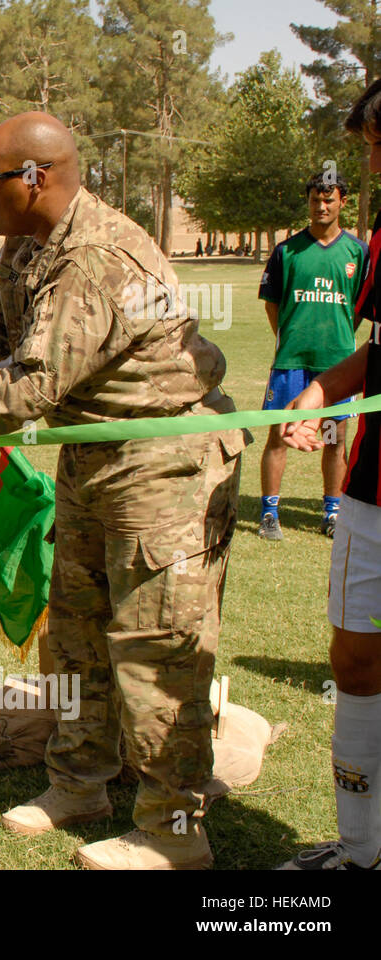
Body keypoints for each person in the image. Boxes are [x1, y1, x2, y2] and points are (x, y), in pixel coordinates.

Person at [0, 112, 246, 869]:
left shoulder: (94, 257)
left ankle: (172, 829)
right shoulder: (30, 245)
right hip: (96, 459)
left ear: (35, 179)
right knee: (74, 634)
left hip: (163, 464)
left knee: (156, 647)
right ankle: (79, 786)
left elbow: (34, 384)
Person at [278, 80, 381, 871]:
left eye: (378, 146)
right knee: (353, 658)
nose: (370, 164)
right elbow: (379, 351)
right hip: (376, 488)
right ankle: (359, 849)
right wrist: (318, 391)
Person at [257, 174, 368, 540]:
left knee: (335, 439)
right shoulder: (286, 251)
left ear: (342, 203)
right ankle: (269, 513)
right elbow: (273, 304)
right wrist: (290, 338)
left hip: (337, 366)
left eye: (329, 200)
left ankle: (332, 512)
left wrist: (338, 340)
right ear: (307, 202)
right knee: (280, 435)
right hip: (291, 362)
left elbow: (358, 308)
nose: (322, 207)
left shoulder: (358, 253)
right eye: (315, 201)